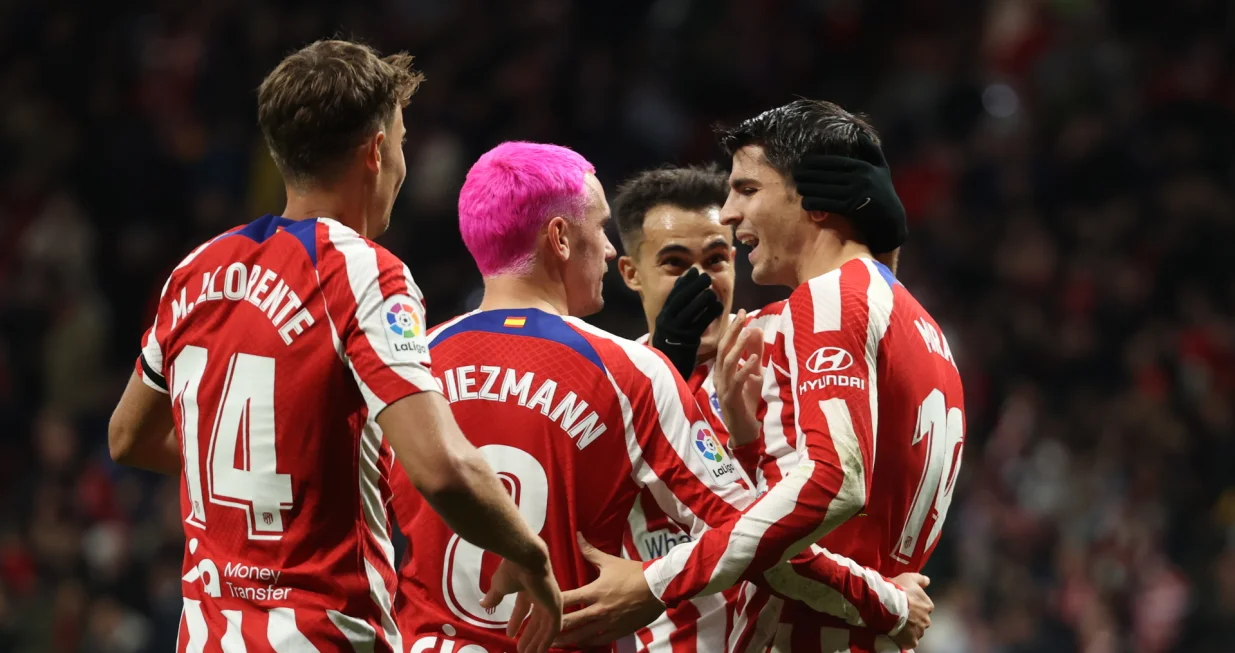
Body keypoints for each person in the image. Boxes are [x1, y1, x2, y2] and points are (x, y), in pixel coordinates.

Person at [105, 40, 561, 653]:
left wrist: (273, 476)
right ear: (376, 152)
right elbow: (442, 469)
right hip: (323, 636)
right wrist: (528, 553)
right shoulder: (361, 272)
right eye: (401, 143)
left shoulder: (195, 271)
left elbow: (127, 437)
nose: (401, 163)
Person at [388, 142, 925, 653]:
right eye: (599, 228)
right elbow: (758, 539)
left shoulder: (408, 366)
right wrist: (891, 603)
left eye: (718, 257)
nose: (606, 245)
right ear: (559, 239)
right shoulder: (630, 371)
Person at [554, 100, 965, 653]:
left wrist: (657, 582)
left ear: (815, 197)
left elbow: (829, 486)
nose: (727, 212)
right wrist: (747, 446)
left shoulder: (827, 304)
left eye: (747, 190)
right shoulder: (919, 324)